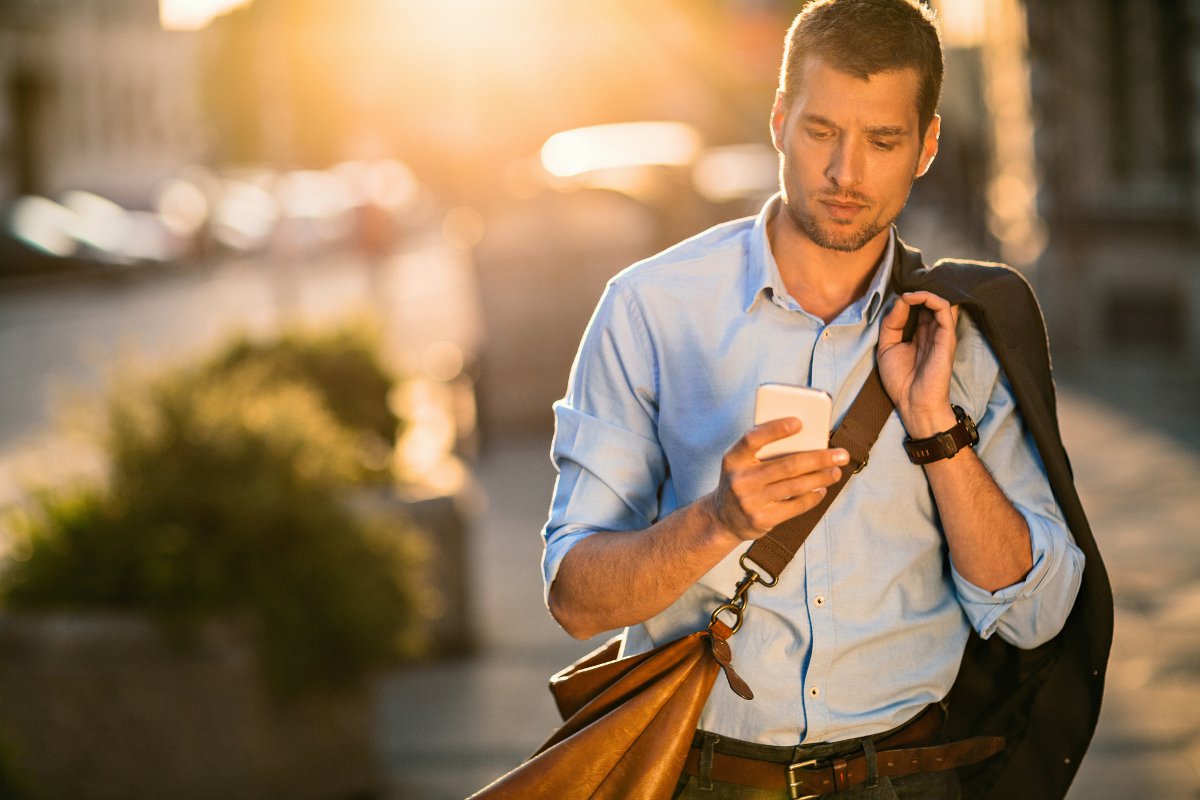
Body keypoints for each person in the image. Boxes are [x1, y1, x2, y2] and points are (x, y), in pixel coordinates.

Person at [541, 1, 1103, 798]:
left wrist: (938, 431)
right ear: (779, 121)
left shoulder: (966, 329)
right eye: (820, 132)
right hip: (705, 780)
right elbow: (575, 599)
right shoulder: (650, 310)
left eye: (883, 141)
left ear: (926, 147)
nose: (847, 173)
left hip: (912, 778)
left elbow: (1035, 617)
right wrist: (719, 521)